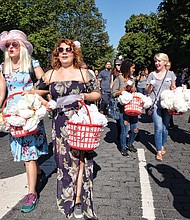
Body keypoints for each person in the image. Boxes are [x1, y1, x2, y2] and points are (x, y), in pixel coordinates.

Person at [36, 39, 101, 219]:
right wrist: (47, 103)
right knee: (64, 163)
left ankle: (79, 199)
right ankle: (66, 200)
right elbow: (35, 91)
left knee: (82, 161)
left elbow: (97, 93)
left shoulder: (84, 73)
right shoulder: (50, 74)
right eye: (60, 50)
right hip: (60, 123)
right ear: (56, 53)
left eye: (68, 49)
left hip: (81, 122)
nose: (64, 52)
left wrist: (84, 95)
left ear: (74, 53)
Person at [0, 30, 48, 213]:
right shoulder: (3, 67)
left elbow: (45, 86)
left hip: (29, 113)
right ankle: (39, 173)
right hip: (12, 115)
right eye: (7, 45)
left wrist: (32, 92)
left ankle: (31, 193)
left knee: (28, 154)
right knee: (23, 153)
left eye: (15, 44)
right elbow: (1, 93)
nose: (11, 47)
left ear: (22, 47)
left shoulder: (32, 64)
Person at [146, 53, 176, 161]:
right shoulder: (151, 75)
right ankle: (159, 150)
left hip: (167, 105)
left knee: (165, 128)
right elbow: (147, 91)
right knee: (158, 127)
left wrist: (174, 90)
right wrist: (150, 86)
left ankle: (162, 144)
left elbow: (173, 87)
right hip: (155, 105)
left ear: (165, 62)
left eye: (159, 61)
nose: (157, 63)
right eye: (156, 61)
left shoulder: (171, 74)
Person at [112, 60, 138, 157]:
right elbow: (113, 93)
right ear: (127, 68)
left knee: (135, 129)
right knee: (125, 129)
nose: (134, 70)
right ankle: (123, 148)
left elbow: (134, 91)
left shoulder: (132, 79)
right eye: (133, 68)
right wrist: (123, 90)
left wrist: (133, 90)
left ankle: (130, 143)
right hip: (123, 109)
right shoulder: (119, 78)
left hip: (133, 107)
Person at [165, 62, 178, 130]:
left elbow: (174, 83)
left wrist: (174, 88)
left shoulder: (171, 73)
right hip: (163, 95)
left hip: (169, 95)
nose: (168, 67)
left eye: (169, 66)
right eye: (167, 66)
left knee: (169, 110)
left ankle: (170, 123)